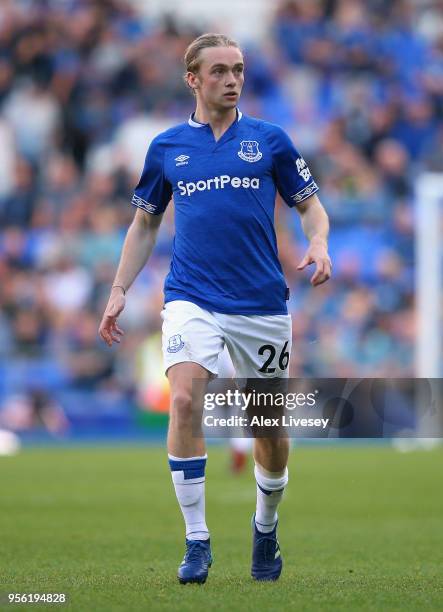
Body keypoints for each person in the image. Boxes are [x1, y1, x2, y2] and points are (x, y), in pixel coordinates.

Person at [99, 33, 331, 584]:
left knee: (266, 428)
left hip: (260, 303)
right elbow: (146, 222)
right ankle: (197, 540)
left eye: (239, 70)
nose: (232, 79)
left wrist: (318, 243)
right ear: (193, 79)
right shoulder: (167, 147)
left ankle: (266, 526)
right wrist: (118, 288)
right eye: (221, 71)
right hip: (191, 296)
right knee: (183, 400)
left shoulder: (270, 140)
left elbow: (312, 208)